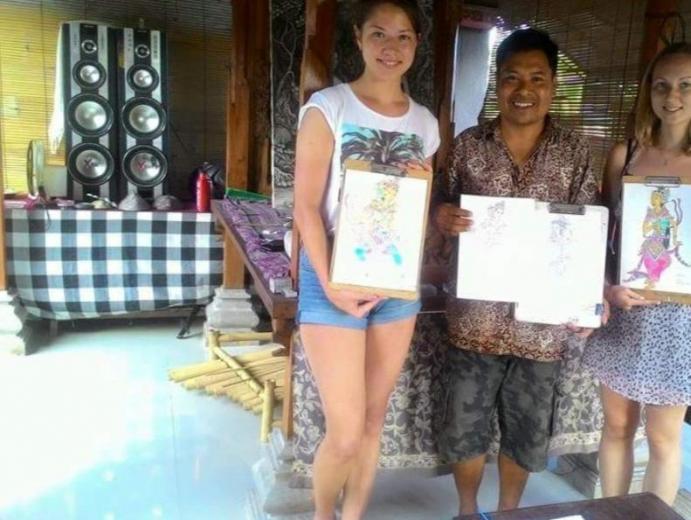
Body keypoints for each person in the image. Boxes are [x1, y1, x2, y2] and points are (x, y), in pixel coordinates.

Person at [433, 28, 599, 516]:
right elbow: (440, 199)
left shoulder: (574, 152)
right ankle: (467, 511)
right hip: (474, 319)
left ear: (553, 85)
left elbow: (588, 229)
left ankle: (509, 512)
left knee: (526, 433)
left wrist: (585, 298)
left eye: (537, 78)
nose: (524, 90)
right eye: (511, 78)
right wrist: (442, 214)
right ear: (497, 82)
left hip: (542, 326)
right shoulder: (468, 146)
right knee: (464, 429)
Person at [292, 1, 440, 519]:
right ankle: (323, 514)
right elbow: (306, 208)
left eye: (403, 36)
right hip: (332, 271)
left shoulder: (425, 123)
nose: (390, 47)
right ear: (358, 37)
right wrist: (331, 282)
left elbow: (416, 207)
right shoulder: (328, 107)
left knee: (374, 421)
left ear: (416, 44)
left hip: (395, 279)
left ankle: (352, 515)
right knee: (346, 431)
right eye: (379, 34)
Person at [583, 42, 691, 506]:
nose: (673, 97)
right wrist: (607, 287)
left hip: (680, 321)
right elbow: (601, 235)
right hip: (623, 313)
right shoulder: (624, 156)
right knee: (617, 427)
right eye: (662, 85)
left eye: (686, 85)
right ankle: (611, 514)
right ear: (648, 91)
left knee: (664, 439)